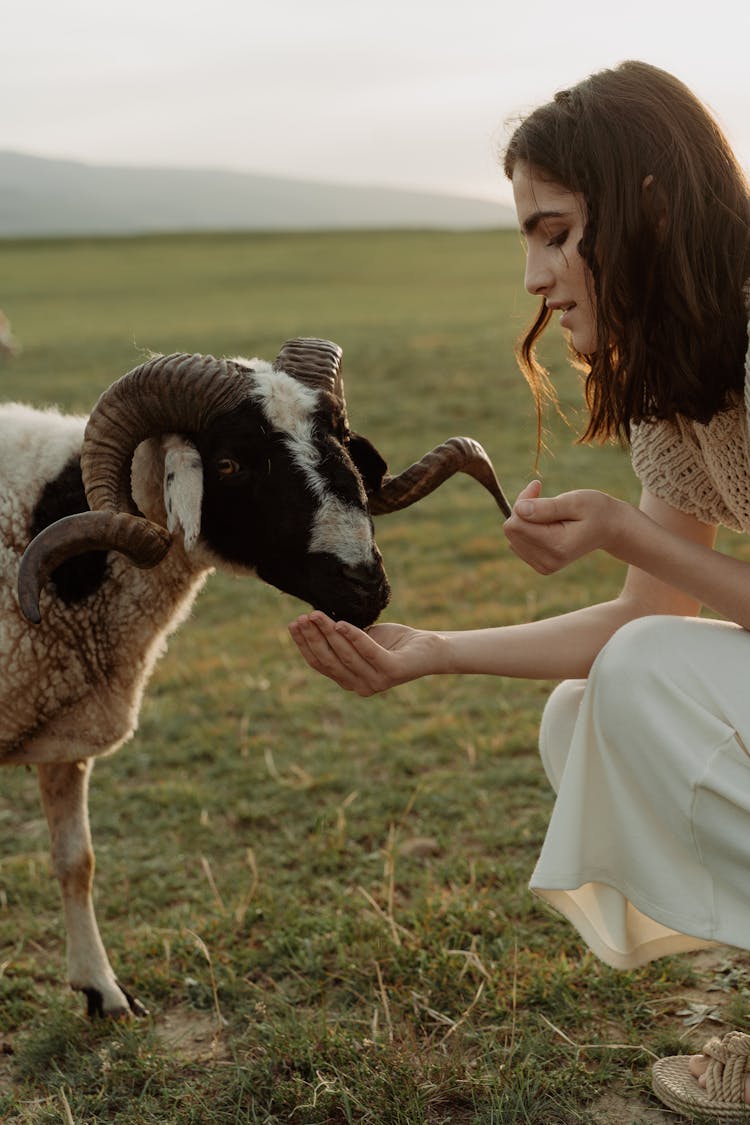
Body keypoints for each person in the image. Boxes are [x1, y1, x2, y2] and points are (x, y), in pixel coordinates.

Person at [288, 60, 750, 1119]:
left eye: (553, 232)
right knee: (585, 714)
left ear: (648, 210)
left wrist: (629, 529)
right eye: (524, 241)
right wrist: (435, 651)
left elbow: (656, 613)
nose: (535, 277)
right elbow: (648, 614)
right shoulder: (676, 380)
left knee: (637, 683)